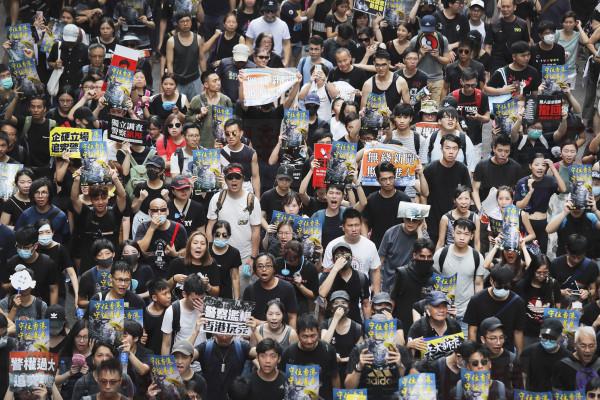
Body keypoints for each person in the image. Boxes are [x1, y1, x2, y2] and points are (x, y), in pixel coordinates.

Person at [206, 163, 261, 291]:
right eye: (230, 177)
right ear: (225, 180)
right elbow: (210, 228)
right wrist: (209, 252)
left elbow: (256, 231)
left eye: (237, 177)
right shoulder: (217, 199)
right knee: (217, 291)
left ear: (243, 179)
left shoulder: (251, 200)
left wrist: (252, 258)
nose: (234, 180)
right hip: (218, 255)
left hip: (244, 257)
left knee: (241, 295)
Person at [344, 313, 412, 399]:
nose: (379, 334)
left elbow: (410, 387)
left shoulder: (399, 350)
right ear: (369, 331)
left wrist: (400, 365)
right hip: (366, 396)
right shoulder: (359, 350)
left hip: (393, 396)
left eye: (383, 329)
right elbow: (349, 387)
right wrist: (359, 366)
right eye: (375, 329)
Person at [71, 169, 127, 273]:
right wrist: (77, 179)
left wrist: (115, 179)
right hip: (89, 262)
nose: (100, 202)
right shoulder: (86, 213)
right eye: (96, 199)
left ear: (108, 198)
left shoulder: (115, 212)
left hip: (111, 261)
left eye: (103, 198)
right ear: (91, 200)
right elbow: (74, 198)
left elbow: (122, 196)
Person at [433, 218, 485, 328]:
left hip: (467, 314)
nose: (462, 237)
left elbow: (478, 284)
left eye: (466, 234)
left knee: (467, 345)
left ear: (471, 236)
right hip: (443, 313)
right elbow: (434, 282)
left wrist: (477, 309)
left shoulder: (477, 257)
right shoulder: (441, 254)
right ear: (453, 233)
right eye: (459, 233)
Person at [464, 264, 526, 354]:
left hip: (506, 350)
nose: (503, 289)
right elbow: (472, 330)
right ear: (491, 281)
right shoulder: (477, 300)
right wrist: (474, 353)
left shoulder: (517, 302)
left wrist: (520, 356)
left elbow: (518, 332)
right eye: (499, 286)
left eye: (506, 287)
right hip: (483, 350)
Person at [424, 135, 472, 244]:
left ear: (459, 150)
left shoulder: (462, 169)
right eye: (447, 148)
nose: (451, 152)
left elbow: (468, 193)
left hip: (456, 220)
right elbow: (423, 195)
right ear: (441, 149)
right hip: (433, 218)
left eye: (454, 148)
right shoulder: (430, 169)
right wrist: (424, 219)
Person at [280, 314, 340, 400]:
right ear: (297, 333)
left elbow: (335, 376)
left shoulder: (328, 350)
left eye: (313, 335)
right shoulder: (288, 353)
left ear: (318, 332)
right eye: (305, 336)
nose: (309, 341)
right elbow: (282, 379)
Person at [323, 209, 381, 292]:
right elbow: (326, 271)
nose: (354, 229)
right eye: (350, 225)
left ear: (361, 225)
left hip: (362, 293)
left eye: (357, 225)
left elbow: (376, 270)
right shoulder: (333, 245)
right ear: (343, 227)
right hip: (339, 295)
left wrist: (376, 295)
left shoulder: (370, 245)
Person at [2, 225, 59, 306]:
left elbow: (53, 289)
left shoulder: (48, 263)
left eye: (26, 248)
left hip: (40, 309)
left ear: (35, 245)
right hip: (17, 308)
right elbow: (4, 286)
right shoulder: (12, 262)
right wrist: (14, 283)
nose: (21, 250)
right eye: (19, 246)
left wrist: (52, 312)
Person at [359, 161, 412, 247]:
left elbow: (410, 224)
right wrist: (366, 241)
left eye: (391, 178)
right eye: (384, 179)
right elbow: (364, 222)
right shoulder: (371, 199)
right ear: (378, 180)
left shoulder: (404, 199)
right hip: (377, 246)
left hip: (399, 246)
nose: (388, 182)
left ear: (394, 177)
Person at [515, 254, 562, 346]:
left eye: (545, 272)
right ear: (533, 270)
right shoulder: (521, 286)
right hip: (527, 332)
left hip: (548, 332)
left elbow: (557, 306)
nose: (542, 275)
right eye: (538, 272)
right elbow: (517, 311)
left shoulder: (553, 284)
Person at [135, 197, 188, 278]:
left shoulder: (179, 228)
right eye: (155, 210)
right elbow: (139, 250)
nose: (159, 213)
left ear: (167, 211)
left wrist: (175, 254)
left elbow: (185, 250)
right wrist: (152, 228)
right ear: (149, 212)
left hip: (170, 272)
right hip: (148, 273)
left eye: (163, 210)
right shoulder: (143, 227)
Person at [390, 238, 436, 330]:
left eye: (429, 257)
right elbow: (392, 299)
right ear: (414, 255)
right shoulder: (402, 274)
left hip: (426, 327)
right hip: (403, 324)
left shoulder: (435, 276)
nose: (426, 260)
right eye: (422, 256)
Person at [319, 242, 371, 324]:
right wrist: (335, 269)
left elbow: (366, 304)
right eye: (338, 254)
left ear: (352, 257)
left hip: (354, 325)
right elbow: (322, 294)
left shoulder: (361, 277)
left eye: (345, 253)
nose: (342, 257)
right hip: (331, 324)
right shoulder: (326, 277)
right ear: (333, 259)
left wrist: (368, 327)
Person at [243, 253, 298, 328]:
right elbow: (246, 318)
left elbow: (292, 317)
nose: (264, 269)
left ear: (274, 269)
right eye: (260, 266)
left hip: (280, 334)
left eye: (268, 266)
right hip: (257, 334)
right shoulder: (249, 290)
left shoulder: (287, 288)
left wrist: (292, 337)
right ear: (255, 271)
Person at [192, 333, 251, 400]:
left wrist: (255, 332)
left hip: (232, 396)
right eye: (220, 333)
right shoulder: (205, 347)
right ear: (214, 332)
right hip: (209, 396)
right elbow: (187, 355)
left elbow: (260, 352)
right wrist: (195, 331)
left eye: (228, 333)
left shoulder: (242, 347)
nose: (224, 337)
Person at [321, 290, 363, 383]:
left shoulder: (357, 327)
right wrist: (335, 320)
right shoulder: (326, 324)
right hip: (330, 371)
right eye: (336, 303)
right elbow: (323, 346)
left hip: (350, 370)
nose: (340, 306)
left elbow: (360, 354)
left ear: (348, 307)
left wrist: (343, 360)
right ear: (331, 308)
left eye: (344, 303)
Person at [409, 15, 452, 103]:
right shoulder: (415, 41)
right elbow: (410, 64)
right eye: (425, 31)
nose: (428, 33)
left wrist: (437, 56)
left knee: (434, 108)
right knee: (418, 107)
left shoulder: (442, 40)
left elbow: (447, 61)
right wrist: (420, 55)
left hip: (437, 80)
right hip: (419, 80)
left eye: (430, 31)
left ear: (435, 28)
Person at [406, 291, 462, 359]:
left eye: (444, 306)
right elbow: (409, 360)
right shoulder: (418, 327)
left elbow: (461, 352)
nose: (441, 310)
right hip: (424, 368)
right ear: (427, 309)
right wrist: (409, 345)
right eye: (437, 306)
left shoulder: (454, 325)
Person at [519, 318, 570, 391]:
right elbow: (523, 376)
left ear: (560, 337)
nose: (547, 341)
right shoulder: (528, 352)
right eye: (544, 337)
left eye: (552, 338)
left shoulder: (567, 357)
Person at [186, 71, 233, 149]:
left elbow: (231, 123)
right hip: (202, 144)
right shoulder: (197, 100)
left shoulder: (225, 100)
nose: (218, 83)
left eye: (219, 80)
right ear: (206, 84)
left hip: (221, 144)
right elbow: (187, 119)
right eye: (214, 81)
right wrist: (199, 115)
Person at [550, 234, 599, 308]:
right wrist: (560, 292)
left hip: (580, 306)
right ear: (567, 250)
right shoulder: (556, 264)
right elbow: (548, 287)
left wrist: (587, 293)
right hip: (559, 304)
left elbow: (593, 289)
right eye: (573, 257)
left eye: (579, 257)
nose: (576, 260)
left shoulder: (591, 266)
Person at [167, 231, 221, 299]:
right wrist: (174, 279)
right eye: (195, 243)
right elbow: (164, 290)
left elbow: (216, 293)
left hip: (201, 305)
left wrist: (208, 287)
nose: (199, 246)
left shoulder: (211, 264)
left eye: (202, 244)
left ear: (206, 248)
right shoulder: (177, 263)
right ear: (189, 246)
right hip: (179, 304)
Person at [15, 178, 69, 244]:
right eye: (37, 192)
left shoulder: (60, 216)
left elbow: (66, 239)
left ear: (49, 194)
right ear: (32, 195)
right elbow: (18, 236)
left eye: (44, 192)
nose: (40, 196)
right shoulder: (26, 215)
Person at [478, 317, 522, 396]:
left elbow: (519, 392)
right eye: (493, 338)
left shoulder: (512, 359)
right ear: (483, 339)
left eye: (501, 338)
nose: (498, 343)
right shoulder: (475, 359)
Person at [166, 11, 204, 101]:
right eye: (182, 21)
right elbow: (169, 63)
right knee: (178, 106)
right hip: (178, 79)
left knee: (197, 105)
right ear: (178, 24)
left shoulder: (198, 38)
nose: (185, 23)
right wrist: (172, 81)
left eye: (188, 20)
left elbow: (202, 59)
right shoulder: (171, 41)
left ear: (191, 22)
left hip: (195, 78)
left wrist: (205, 78)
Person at [274, 240, 318, 315]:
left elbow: (313, 296)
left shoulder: (310, 268)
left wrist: (300, 285)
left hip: (299, 304)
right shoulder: (277, 262)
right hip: (278, 302)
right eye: (286, 259)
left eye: (291, 260)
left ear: (299, 257)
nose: (288, 262)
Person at [219, 118, 261, 196]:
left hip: (246, 191)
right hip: (227, 192)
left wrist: (258, 197)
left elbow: (255, 177)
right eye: (227, 134)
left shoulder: (251, 153)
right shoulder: (222, 153)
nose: (231, 136)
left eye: (234, 133)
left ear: (241, 133)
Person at [552, 326, 600, 391]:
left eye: (591, 346)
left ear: (596, 346)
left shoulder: (598, 365)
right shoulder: (562, 366)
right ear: (575, 345)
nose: (587, 350)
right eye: (583, 346)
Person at [487, 0, 531, 71]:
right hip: (497, 63)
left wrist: (524, 59)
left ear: (514, 7)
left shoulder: (522, 24)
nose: (505, 9)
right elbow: (488, 46)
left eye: (508, 7)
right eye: (503, 7)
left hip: (516, 62)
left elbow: (527, 44)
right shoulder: (493, 24)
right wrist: (489, 64)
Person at [245, 0, 292, 66]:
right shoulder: (254, 23)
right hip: (257, 61)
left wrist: (285, 62)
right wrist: (251, 60)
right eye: (267, 11)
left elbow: (286, 44)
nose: (270, 14)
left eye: (273, 11)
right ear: (263, 11)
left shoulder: (283, 25)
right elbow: (249, 42)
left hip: (276, 61)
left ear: (277, 11)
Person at [77, 239, 117, 309]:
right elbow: (80, 302)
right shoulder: (87, 276)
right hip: (97, 313)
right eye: (100, 255)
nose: (104, 257)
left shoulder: (121, 271)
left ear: (113, 254)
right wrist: (96, 303)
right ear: (95, 258)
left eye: (107, 253)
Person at [119, 320, 152, 399]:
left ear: (136, 338)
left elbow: (143, 370)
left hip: (140, 396)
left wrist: (129, 353)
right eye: (120, 334)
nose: (121, 338)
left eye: (124, 335)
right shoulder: (115, 351)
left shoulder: (147, 353)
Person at [210, 221, 242, 300]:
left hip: (225, 294)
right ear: (213, 234)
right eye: (217, 234)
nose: (220, 237)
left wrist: (237, 300)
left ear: (229, 236)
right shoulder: (206, 248)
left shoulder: (234, 253)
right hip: (207, 292)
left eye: (224, 235)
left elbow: (235, 278)